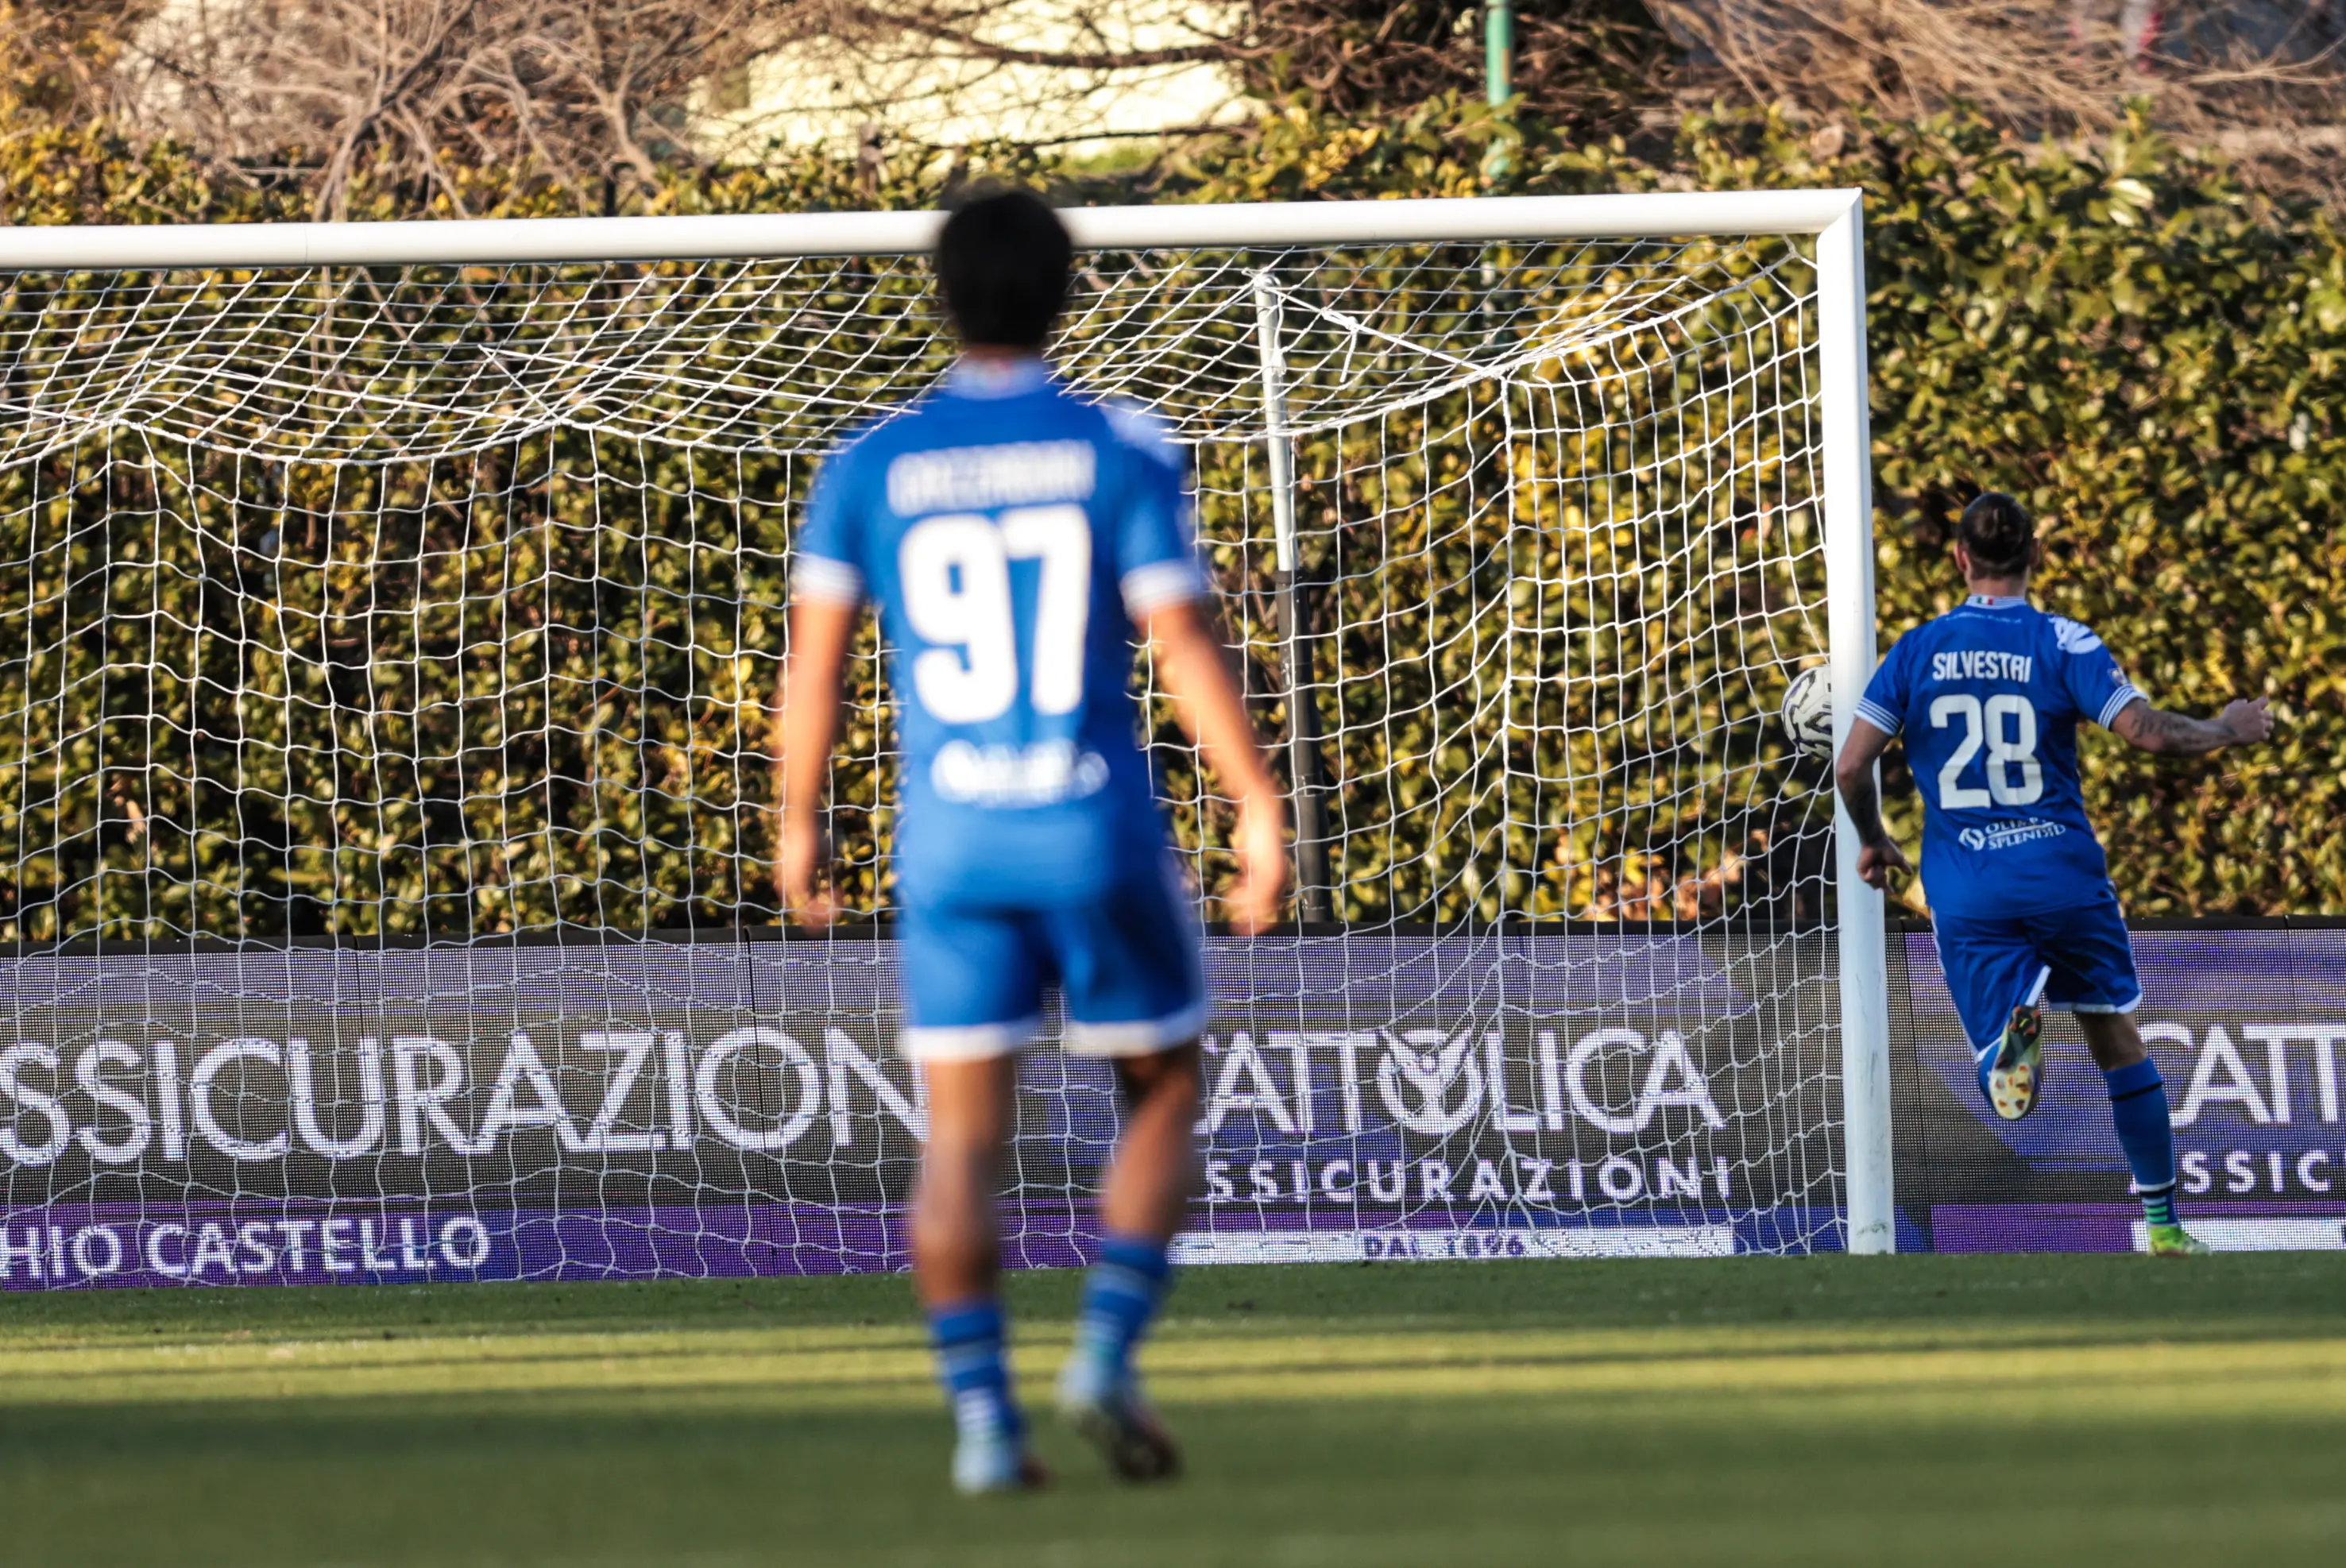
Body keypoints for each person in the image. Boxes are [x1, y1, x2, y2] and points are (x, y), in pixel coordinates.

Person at [774, 187, 1288, 1493]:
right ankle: (1105, 1348)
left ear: (938, 296)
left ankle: (982, 1425)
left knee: (958, 1138)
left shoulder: (868, 461)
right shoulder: (1120, 444)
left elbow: (813, 667)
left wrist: (799, 817)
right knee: (1163, 1085)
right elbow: (1177, 637)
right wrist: (1255, 801)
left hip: (951, 844)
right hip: (1093, 827)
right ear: (1069, 293)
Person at [1834, 492, 2274, 1257]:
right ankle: (2165, 1227)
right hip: (2063, 878)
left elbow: (1849, 766)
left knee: (1993, 1058)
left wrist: (1875, 838)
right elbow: (2148, 734)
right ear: (2035, 555)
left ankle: (2008, 1034)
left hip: (1967, 889)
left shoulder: (1916, 650)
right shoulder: (2063, 641)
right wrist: (2227, 730)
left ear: (1960, 560)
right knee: (2116, 1037)